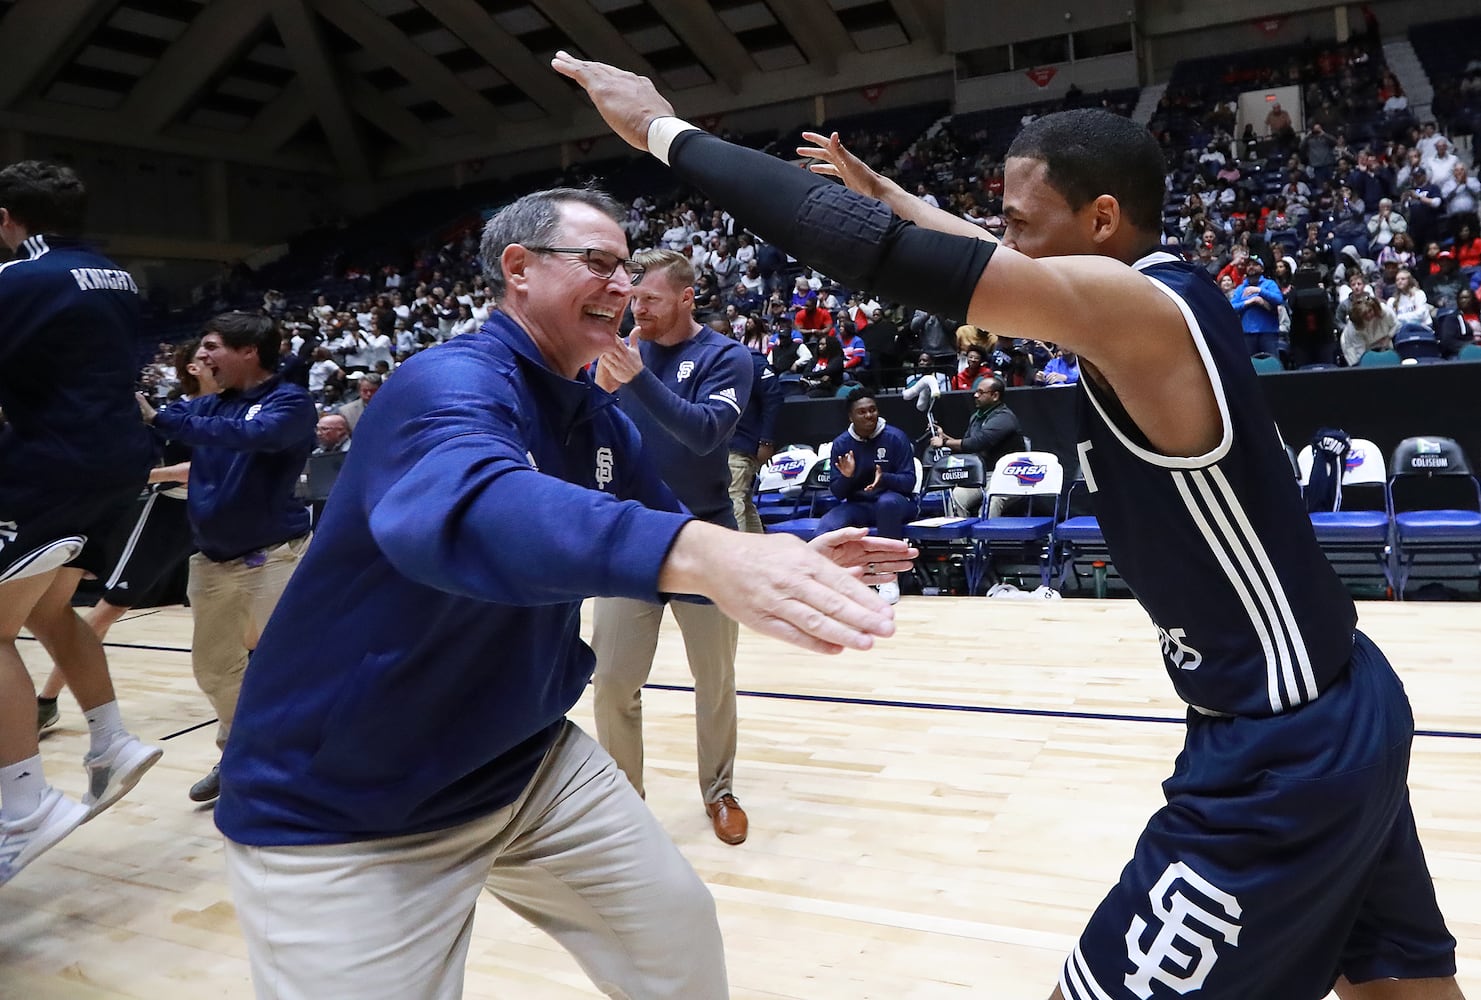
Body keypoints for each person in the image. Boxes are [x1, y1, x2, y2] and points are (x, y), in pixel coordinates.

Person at [556, 51, 1465, 1000]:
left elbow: (897, 258)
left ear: (1101, 220)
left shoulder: (1138, 313)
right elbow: (968, 251)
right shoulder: (1143, 295)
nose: (1005, 243)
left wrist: (663, 130)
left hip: (1288, 747)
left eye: (1023, 224)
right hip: (1330, 697)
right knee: (1396, 985)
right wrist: (896, 196)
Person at [212, 186, 911, 999]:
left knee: (677, 944)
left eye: (628, 270)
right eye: (600, 264)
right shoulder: (443, 383)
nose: (623, 287)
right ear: (518, 269)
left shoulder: (599, 417)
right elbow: (472, 506)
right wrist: (701, 550)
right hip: (349, 799)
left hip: (524, 757)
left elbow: (667, 528)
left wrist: (773, 554)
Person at [0, 161, 163, 886]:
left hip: (52, 466)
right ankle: (111, 740)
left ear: (8, 218)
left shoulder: (18, 279)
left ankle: (25, 806)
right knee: (53, 611)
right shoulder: (117, 276)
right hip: (119, 461)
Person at [589, 247, 757, 845]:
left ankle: (720, 791)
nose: (639, 310)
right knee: (610, 680)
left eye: (651, 300)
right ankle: (626, 803)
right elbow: (585, 427)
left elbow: (705, 432)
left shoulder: (726, 357)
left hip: (704, 536)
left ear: (686, 298)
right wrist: (599, 390)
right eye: (633, 299)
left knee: (714, 680)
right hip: (630, 537)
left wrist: (637, 379)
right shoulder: (615, 355)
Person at [137, 311, 316, 803]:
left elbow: (256, 436)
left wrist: (164, 416)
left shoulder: (289, 401)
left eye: (212, 347)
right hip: (211, 559)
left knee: (291, 665)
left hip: (273, 558)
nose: (202, 356)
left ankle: (305, 764)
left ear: (248, 352)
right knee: (214, 669)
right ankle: (240, 755)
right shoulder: (212, 408)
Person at [36, 339, 217, 731]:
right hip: (173, 510)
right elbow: (149, 470)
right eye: (203, 356)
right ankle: (46, 701)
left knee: (240, 604)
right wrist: (164, 473)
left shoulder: (238, 412)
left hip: (223, 511)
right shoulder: (174, 415)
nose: (211, 360)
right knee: (111, 606)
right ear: (189, 368)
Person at [817, 388, 918, 604]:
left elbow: (909, 483)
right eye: (862, 412)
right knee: (829, 523)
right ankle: (825, 580)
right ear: (851, 417)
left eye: (873, 410)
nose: (869, 415)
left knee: (887, 503)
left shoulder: (895, 437)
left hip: (897, 502)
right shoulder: (842, 444)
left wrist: (884, 479)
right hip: (860, 505)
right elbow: (837, 492)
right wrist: (846, 477)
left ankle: (888, 579)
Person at [929, 375, 1026, 514]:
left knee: (991, 500)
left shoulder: (1004, 418)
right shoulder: (977, 417)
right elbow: (967, 445)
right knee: (956, 498)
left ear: (995, 396)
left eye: (981, 392)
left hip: (1007, 475)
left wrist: (944, 442)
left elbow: (977, 443)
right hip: (980, 475)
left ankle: (984, 536)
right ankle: (959, 536)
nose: (975, 395)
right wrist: (944, 437)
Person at [729, 318, 783, 534]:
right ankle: (761, 552)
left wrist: (766, 440)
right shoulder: (707, 361)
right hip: (717, 444)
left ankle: (738, 561)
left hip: (742, 444)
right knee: (743, 500)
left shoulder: (749, 359)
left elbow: (774, 397)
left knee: (733, 500)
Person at [1231, 256, 1286, 356]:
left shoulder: (1270, 284)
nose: (1251, 267)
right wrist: (1250, 301)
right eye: (1249, 265)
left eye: (1255, 264)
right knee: (1249, 367)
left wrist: (1259, 291)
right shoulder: (1240, 288)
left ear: (1262, 269)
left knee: (1271, 364)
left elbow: (1279, 299)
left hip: (1269, 333)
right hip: (1247, 333)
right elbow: (1231, 308)